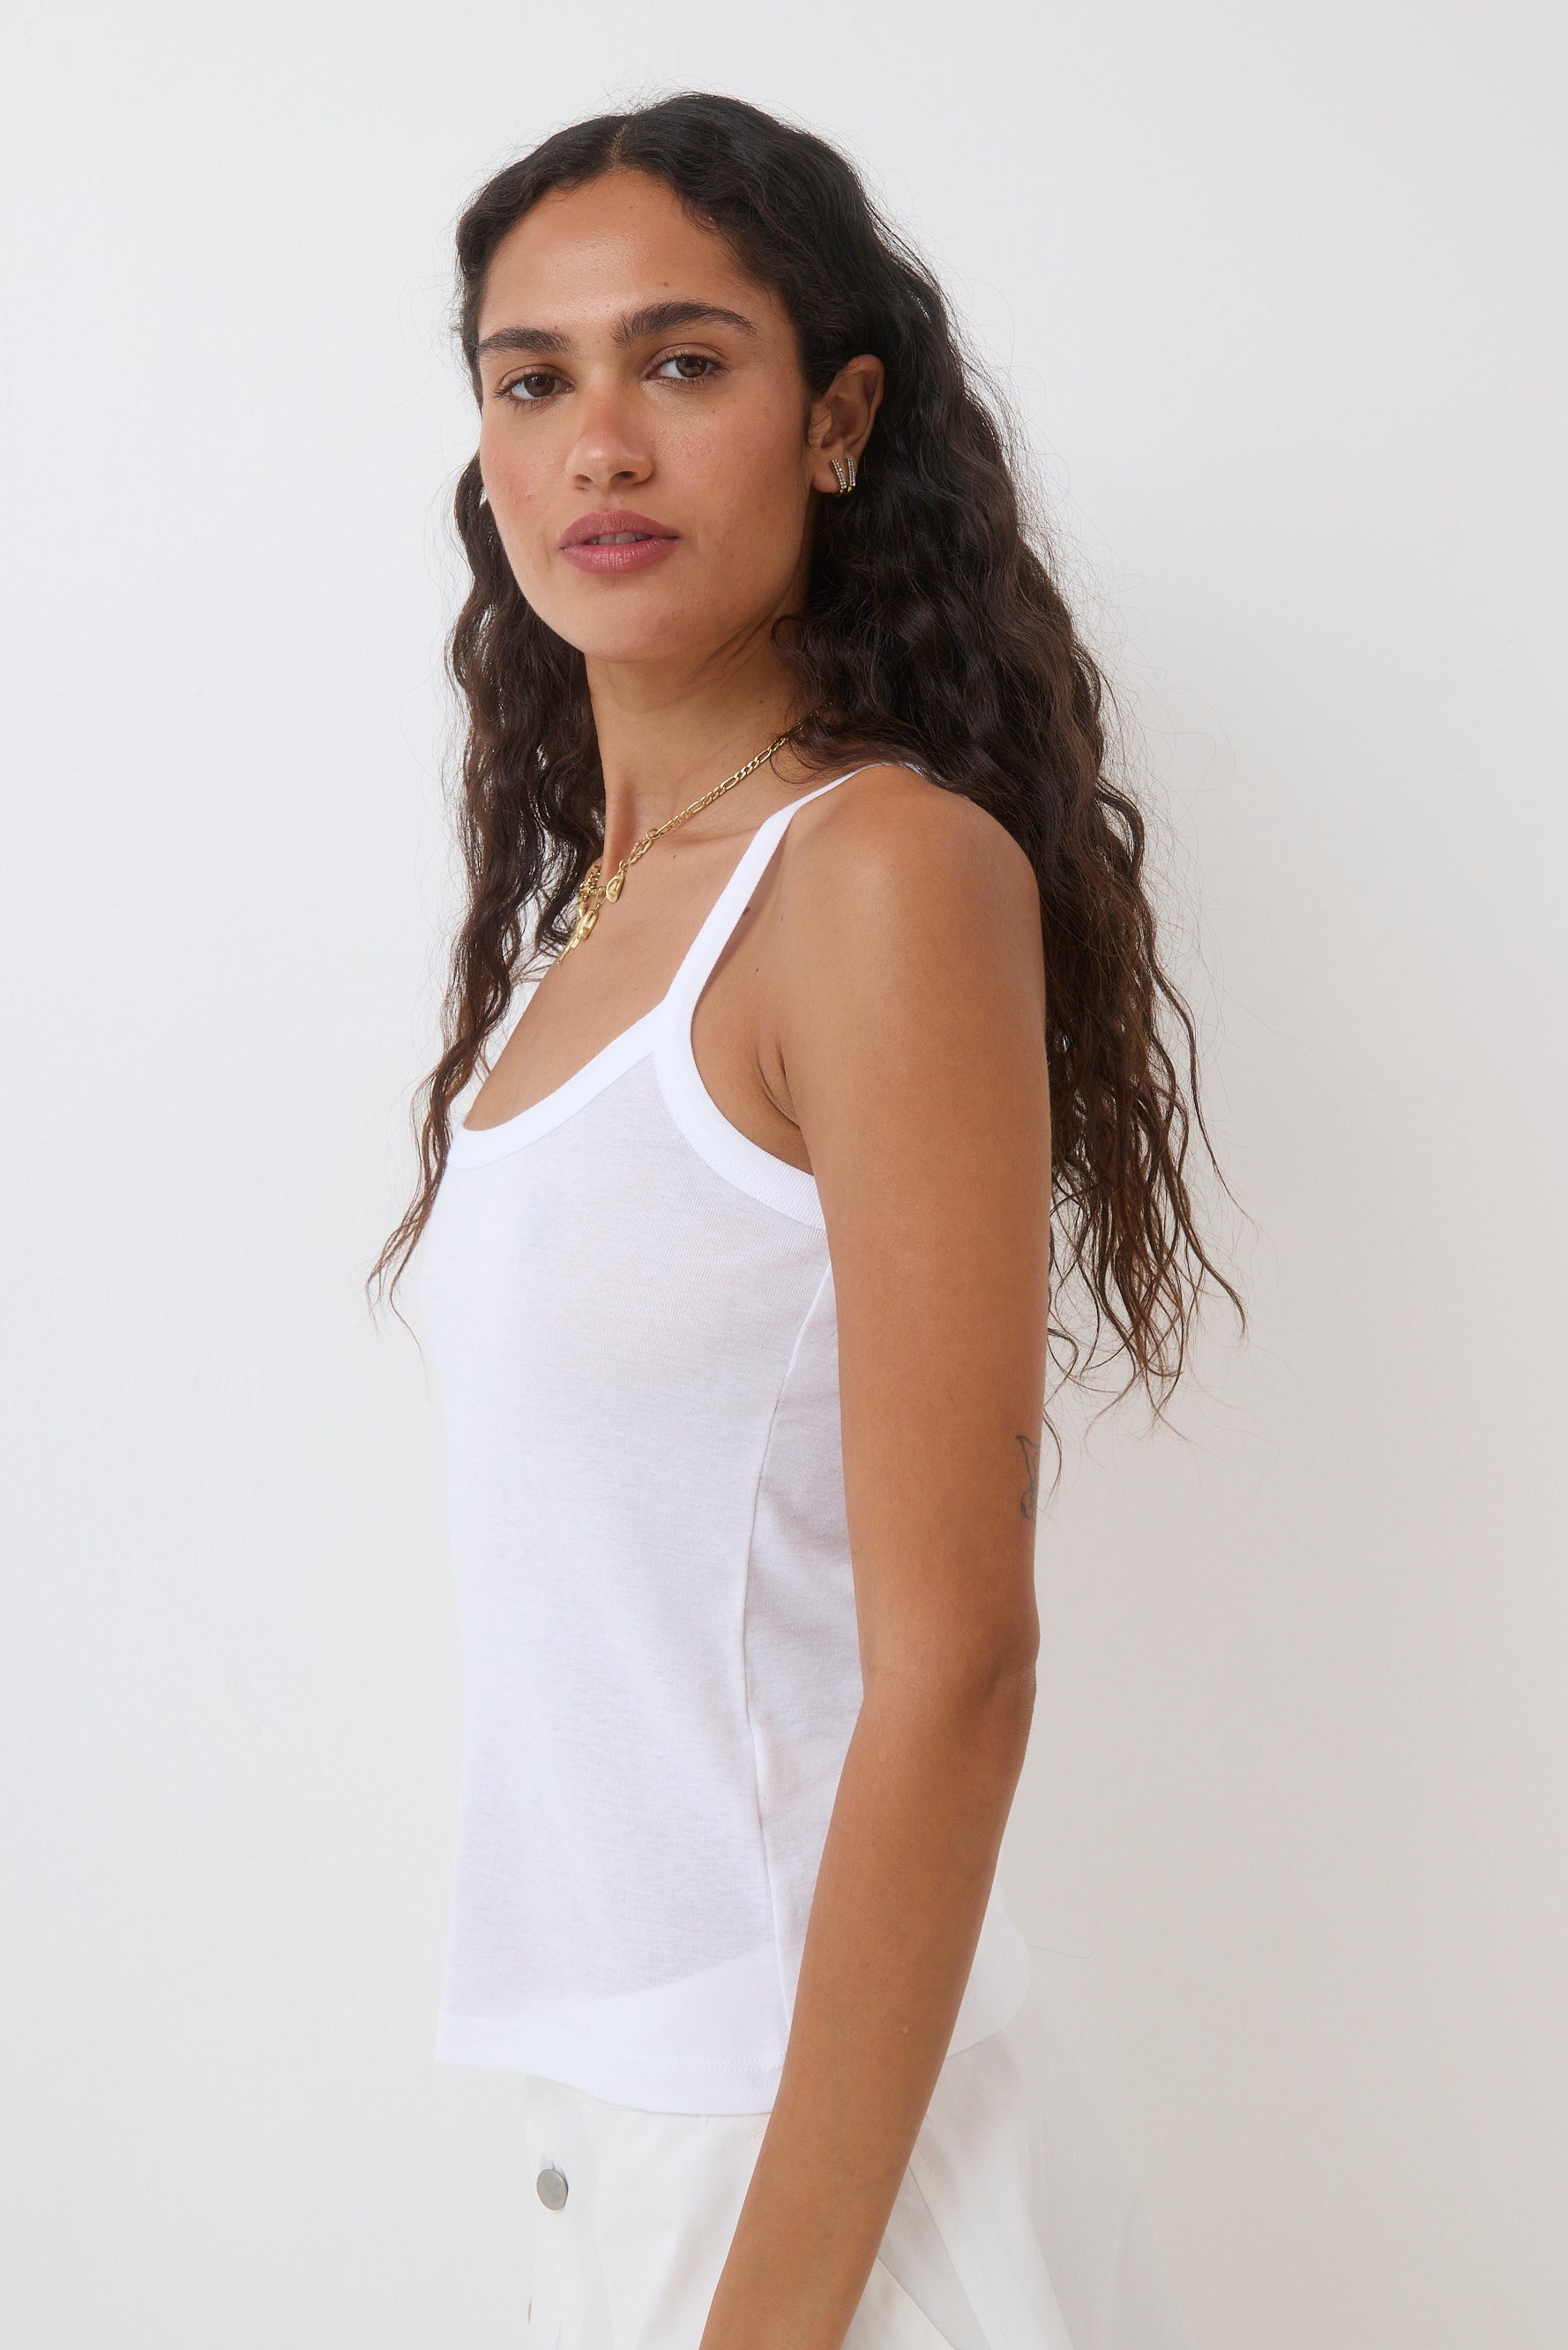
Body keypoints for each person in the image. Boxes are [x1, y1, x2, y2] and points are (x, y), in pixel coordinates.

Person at [370, 90, 1241, 2350]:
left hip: (818, 2176)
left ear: (839, 418)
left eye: (683, 361)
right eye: (532, 378)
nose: (600, 443)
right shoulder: (594, 927)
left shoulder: (873, 876)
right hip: (625, 2124)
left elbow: (960, 1663)